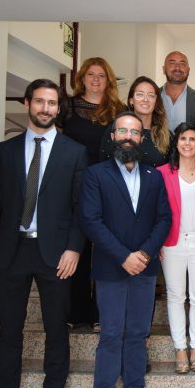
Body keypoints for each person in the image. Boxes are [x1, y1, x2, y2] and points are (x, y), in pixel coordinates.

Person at [0, 79, 88, 388]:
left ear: (58, 109)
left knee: (56, 329)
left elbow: (80, 207)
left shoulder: (74, 152)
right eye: (40, 102)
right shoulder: (5, 151)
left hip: (55, 254)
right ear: (27, 104)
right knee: (10, 330)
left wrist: (74, 248)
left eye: (52, 103)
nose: (46, 109)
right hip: (10, 252)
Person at [80, 112, 171, 388]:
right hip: (111, 267)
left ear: (142, 138)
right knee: (110, 334)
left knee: (137, 333)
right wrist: (123, 256)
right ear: (114, 136)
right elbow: (91, 221)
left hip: (144, 269)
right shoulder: (95, 175)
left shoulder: (154, 176)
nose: (129, 136)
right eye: (123, 130)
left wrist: (144, 254)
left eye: (135, 131)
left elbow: (164, 219)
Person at [62, 57, 125, 331]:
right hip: (71, 184)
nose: (96, 79)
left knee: (104, 249)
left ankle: (101, 311)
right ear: (82, 78)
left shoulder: (118, 110)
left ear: (108, 80)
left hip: (107, 185)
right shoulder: (67, 107)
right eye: (91, 74)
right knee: (76, 247)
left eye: (101, 75)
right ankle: (76, 312)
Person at [157, 122, 195, 374]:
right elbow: (154, 212)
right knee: (176, 296)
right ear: (176, 143)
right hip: (172, 243)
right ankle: (180, 348)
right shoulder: (161, 173)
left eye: (192, 139)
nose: (187, 143)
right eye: (183, 138)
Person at [100, 76, 173, 167]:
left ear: (156, 101)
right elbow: (103, 167)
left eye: (150, 95)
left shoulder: (167, 136)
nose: (145, 100)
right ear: (131, 101)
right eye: (139, 94)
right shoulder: (115, 129)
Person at [160, 50, 195, 130]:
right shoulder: (152, 97)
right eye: (172, 63)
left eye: (182, 64)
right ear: (164, 69)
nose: (177, 68)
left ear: (188, 70)